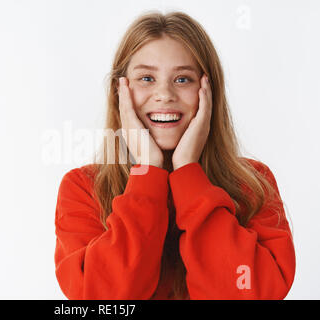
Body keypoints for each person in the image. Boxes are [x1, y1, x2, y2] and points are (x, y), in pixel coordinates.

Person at [54, 10, 296, 300]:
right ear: (120, 93)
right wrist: (147, 170)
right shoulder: (83, 188)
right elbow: (107, 300)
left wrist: (188, 172)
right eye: (146, 78)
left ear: (208, 91)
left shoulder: (254, 183)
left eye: (182, 79)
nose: (165, 94)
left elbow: (246, 294)